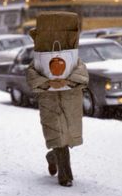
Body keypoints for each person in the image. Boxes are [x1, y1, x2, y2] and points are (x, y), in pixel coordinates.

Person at [26, 46, 89, 187]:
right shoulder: (39, 60)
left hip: (70, 103)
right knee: (59, 139)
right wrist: (47, 83)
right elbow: (31, 77)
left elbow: (83, 76)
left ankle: (51, 157)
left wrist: (67, 81)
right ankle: (65, 177)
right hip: (50, 103)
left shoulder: (73, 58)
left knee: (65, 138)